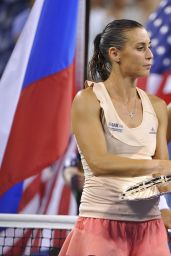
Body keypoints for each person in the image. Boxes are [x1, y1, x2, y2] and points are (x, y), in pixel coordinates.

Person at [59, 19, 171, 256]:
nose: (150, 54)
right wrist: (163, 166)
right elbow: (100, 163)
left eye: (149, 46)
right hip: (100, 227)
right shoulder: (88, 100)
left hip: (150, 231)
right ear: (115, 53)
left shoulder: (158, 106)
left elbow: (161, 180)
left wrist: (164, 176)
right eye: (140, 48)